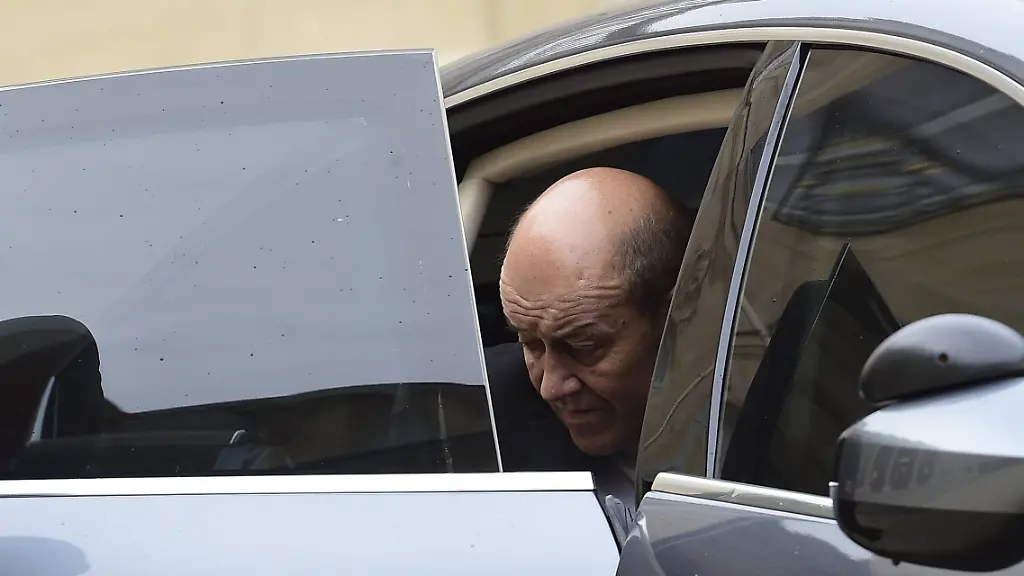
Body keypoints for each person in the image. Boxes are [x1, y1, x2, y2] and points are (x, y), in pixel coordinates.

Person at [494, 166, 693, 517]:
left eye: (584, 346)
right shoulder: (485, 424)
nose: (551, 387)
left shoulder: (781, 432)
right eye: (530, 343)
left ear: (677, 316)